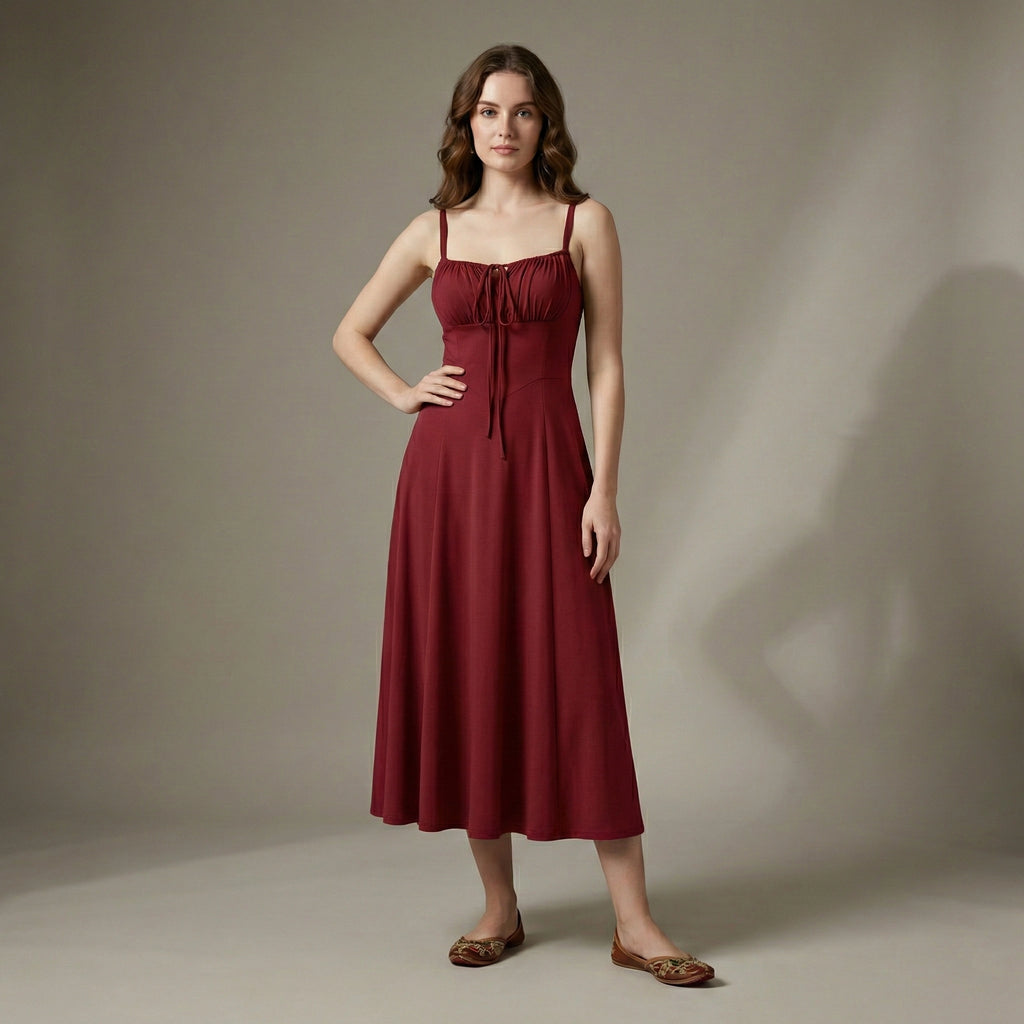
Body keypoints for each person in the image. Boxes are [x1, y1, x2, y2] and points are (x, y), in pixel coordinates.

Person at [333, 44, 713, 987]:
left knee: (579, 680)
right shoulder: (437, 231)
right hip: (447, 482)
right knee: (474, 673)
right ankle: (500, 907)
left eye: (524, 112)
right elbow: (350, 331)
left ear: (548, 125)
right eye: (488, 112)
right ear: (466, 125)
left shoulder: (585, 221)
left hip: (551, 473)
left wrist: (606, 488)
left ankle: (636, 922)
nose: (505, 128)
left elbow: (609, 365)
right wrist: (402, 394)